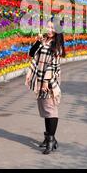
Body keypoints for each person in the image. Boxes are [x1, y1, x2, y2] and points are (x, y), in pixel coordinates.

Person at [25, 19, 66, 154]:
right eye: (47, 26)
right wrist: (37, 42)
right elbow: (32, 54)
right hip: (40, 78)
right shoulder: (43, 41)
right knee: (45, 109)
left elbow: (53, 66)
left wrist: (45, 82)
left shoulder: (56, 45)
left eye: (52, 27)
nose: (49, 29)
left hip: (50, 80)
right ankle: (48, 136)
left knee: (51, 109)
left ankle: (51, 140)